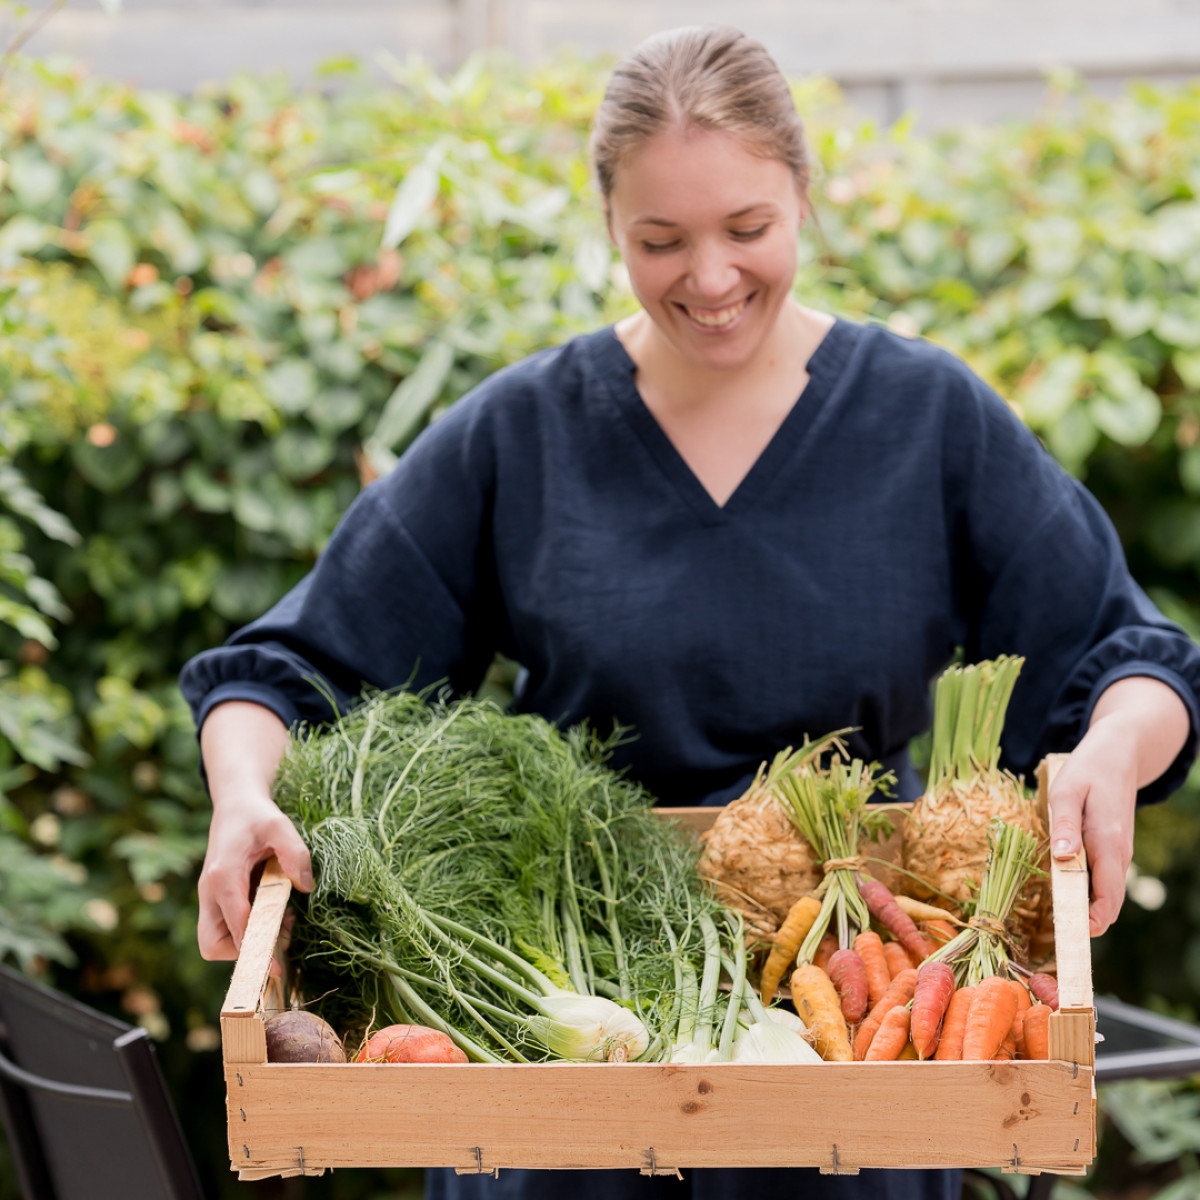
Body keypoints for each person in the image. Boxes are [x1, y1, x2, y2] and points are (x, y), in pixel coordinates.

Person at [181, 24, 1200, 1200]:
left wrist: (1111, 757)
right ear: (610, 224)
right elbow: (289, 669)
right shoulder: (525, 433)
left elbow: (1131, 657)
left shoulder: (926, 421)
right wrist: (245, 795)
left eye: (747, 231)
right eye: (660, 241)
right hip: (570, 1069)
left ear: (804, 198)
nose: (709, 280)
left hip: (856, 1054)